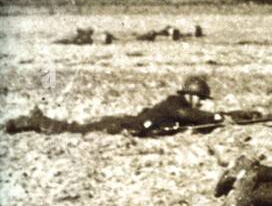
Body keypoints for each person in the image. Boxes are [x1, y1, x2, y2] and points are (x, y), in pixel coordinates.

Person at [5, 75, 223, 137]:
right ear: (190, 95)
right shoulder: (176, 103)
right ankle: (33, 122)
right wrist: (216, 118)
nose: (202, 102)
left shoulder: (182, 105)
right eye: (200, 98)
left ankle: (36, 120)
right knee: (75, 129)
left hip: (127, 122)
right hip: (124, 125)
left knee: (77, 127)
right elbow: (190, 115)